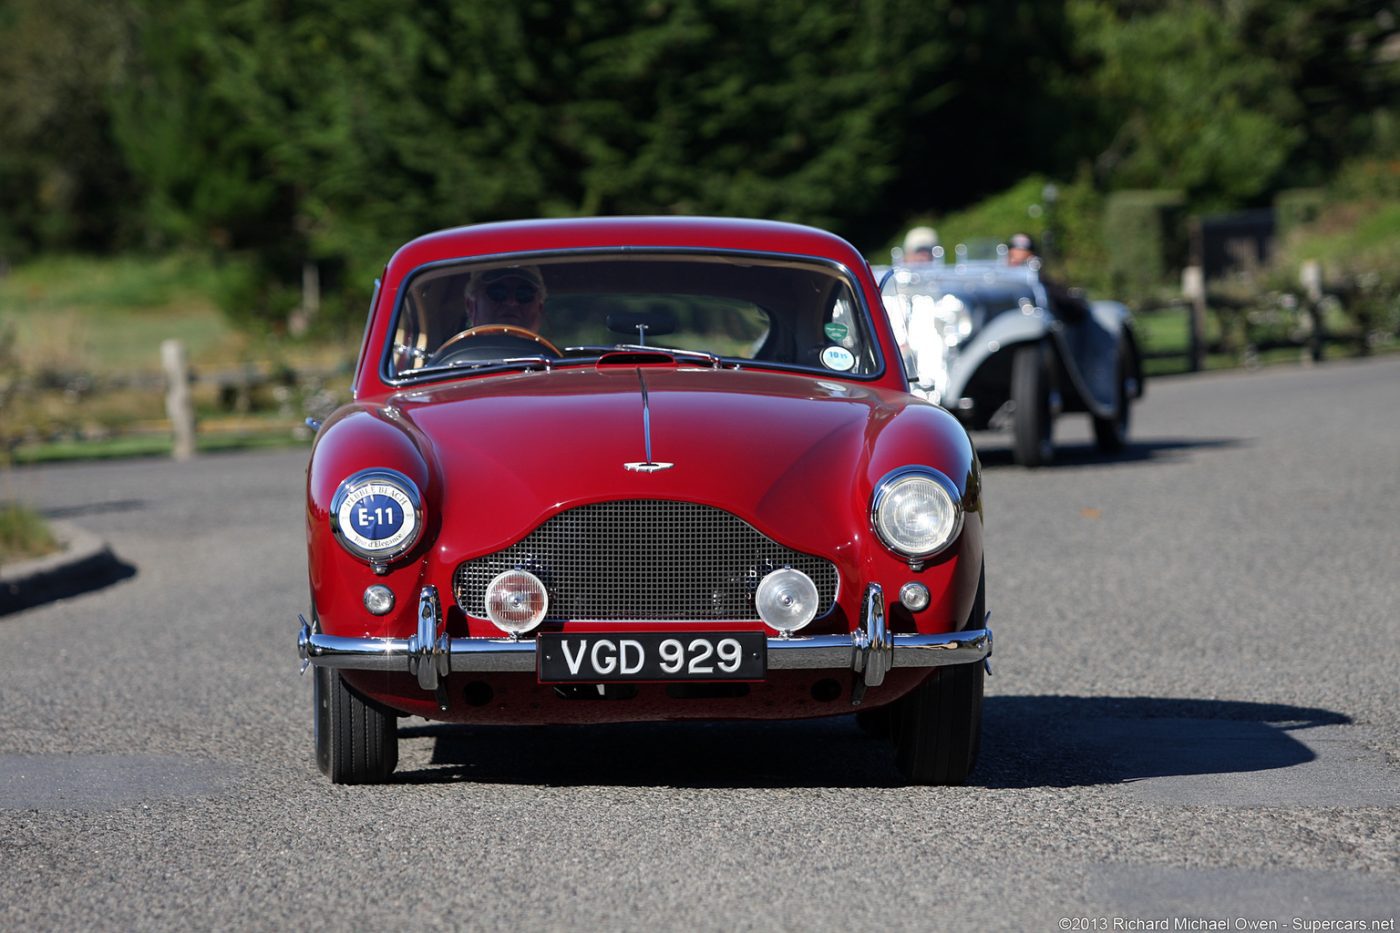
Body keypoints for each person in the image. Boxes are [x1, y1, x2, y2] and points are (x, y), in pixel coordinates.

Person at [1005, 232, 1088, 322]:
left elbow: (1071, 306)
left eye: (1023, 261)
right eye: (1012, 257)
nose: (1015, 262)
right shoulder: (997, 280)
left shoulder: (1043, 284)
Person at [464, 265, 548, 332]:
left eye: (524, 294)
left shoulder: (552, 354)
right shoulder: (456, 353)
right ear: (471, 306)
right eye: (497, 292)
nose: (511, 301)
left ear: (540, 308)